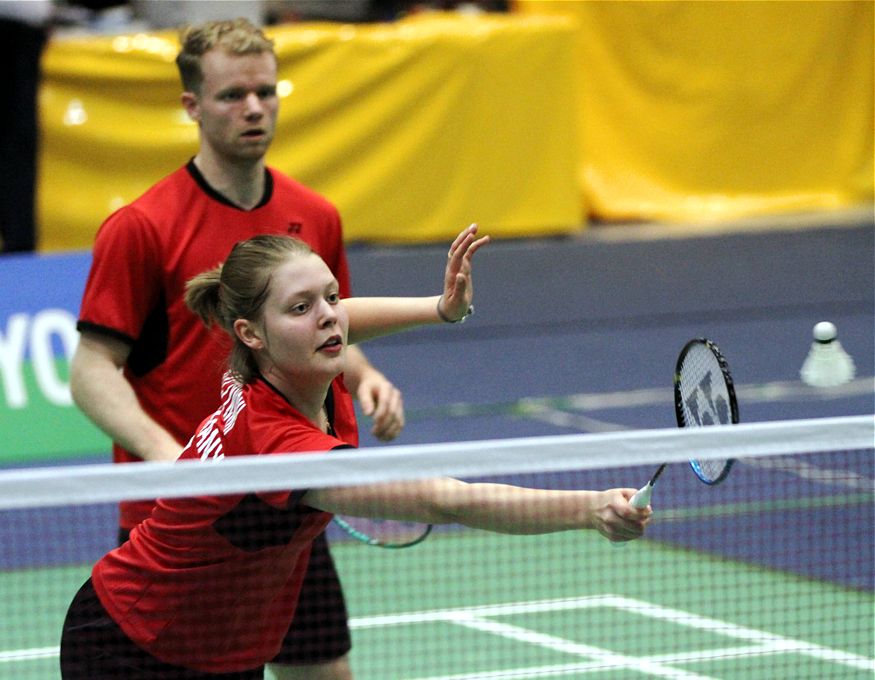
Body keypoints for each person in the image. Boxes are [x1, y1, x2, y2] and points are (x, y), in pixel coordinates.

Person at [60, 227, 651, 679]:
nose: (329, 318)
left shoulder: (292, 375)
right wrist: (589, 508)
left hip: (221, 646)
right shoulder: (281, 444)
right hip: (133, 643)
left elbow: (339, 321)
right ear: (250, 334)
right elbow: (443, 501)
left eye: (332, 297)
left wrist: (439, 308)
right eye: (301, 308)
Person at [69, 18, 404, 679]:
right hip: (180, 519)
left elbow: (324, 325)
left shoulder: (316, 213)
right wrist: (175, 459)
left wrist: (363, 372)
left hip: (288, 506)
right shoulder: (142, 227)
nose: (253, 108)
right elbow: (90, 371)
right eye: (231, 96)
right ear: (191, 105)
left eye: (265, 90)